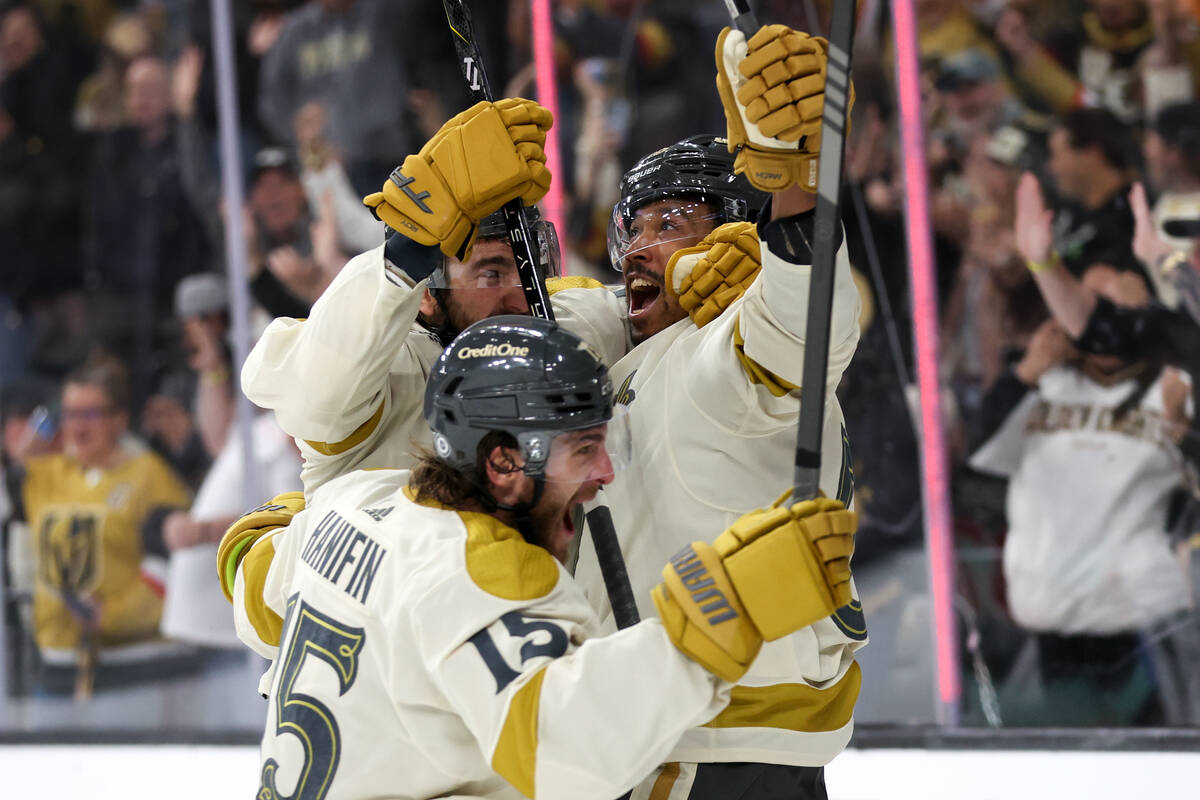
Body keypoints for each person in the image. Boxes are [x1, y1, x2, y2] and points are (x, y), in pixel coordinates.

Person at [223, 315, 857, 800]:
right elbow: (562, 746)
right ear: (503, 463)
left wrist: (271, 528)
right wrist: (715, 625)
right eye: (583, 449)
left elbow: (252, 588)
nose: (606, 471)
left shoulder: (351, 503)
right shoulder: (485, 575)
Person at [568, 24, 864, 799]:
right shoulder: (631, 361)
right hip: (676, 743)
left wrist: (796, 190)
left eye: (670, 224)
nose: (635, 249)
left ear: (743, 233)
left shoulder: (724, 361)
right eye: (630, 230)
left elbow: (807, 317)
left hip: (713, 757)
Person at [241, 96, 629, 497]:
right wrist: (404, 254)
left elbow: (666, 307)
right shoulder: (391, 374)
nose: (520, 297)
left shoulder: (569, 326)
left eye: (528, 265)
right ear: (426, 296)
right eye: (491, 273)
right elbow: (317, 395)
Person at [969, 263, 1194, 725]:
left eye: (1112, 307)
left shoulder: (1173, 385)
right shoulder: (1041, 381)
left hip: (1143, 620)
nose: (1097, 322)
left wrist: (1182, 426)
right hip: (1051, 616)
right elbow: (975, 457)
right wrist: (1028, 369)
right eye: (1084, 304)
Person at [15, 353, 191, 692]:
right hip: (56, 662)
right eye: (69, 414)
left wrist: (111, 616)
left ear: (119, 419)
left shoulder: (149, 475)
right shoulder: (48, 474)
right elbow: (12, 470)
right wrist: (40, 428)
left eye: (91, 414)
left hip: (135, 666)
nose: (78, 426)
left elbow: (172, 566)